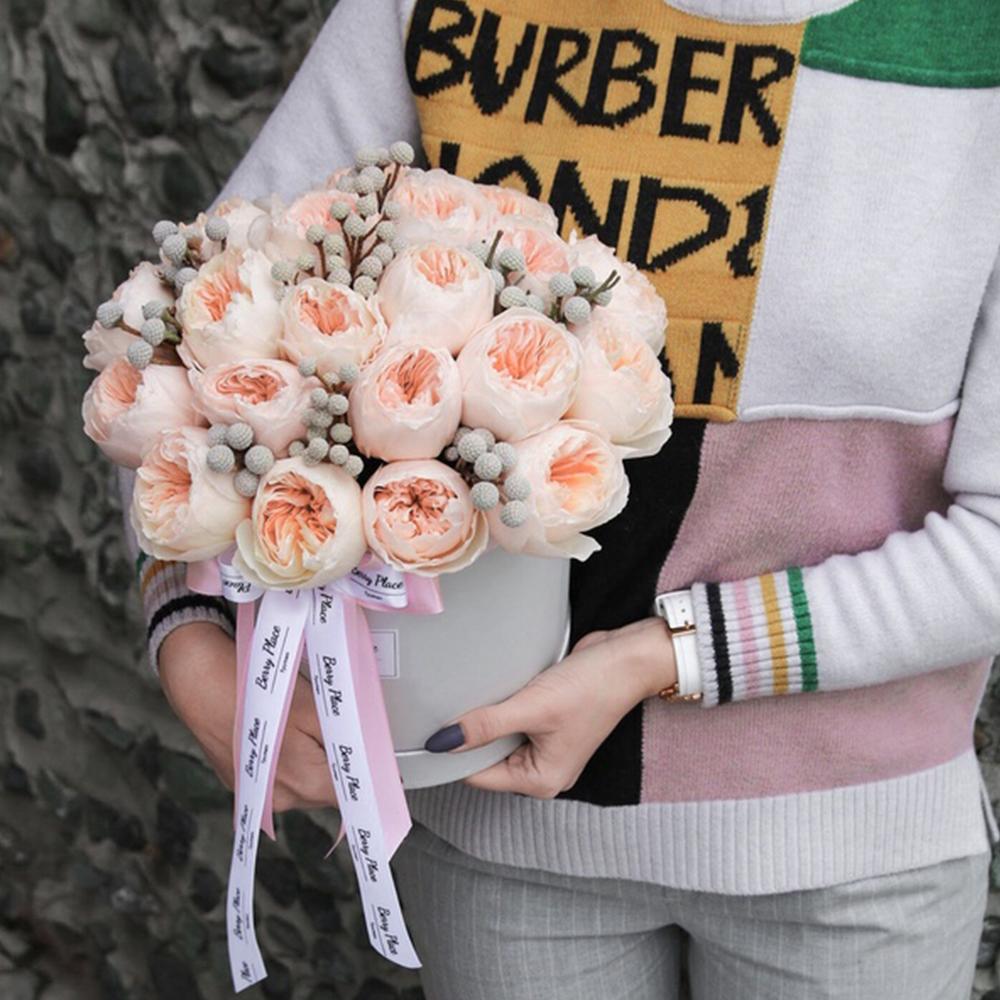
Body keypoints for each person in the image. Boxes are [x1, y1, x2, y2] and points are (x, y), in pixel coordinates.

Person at [129, 0, 1000, 996]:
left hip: (853, 870)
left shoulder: (974, 41)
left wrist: (661, 657)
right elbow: (195, 324)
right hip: (495, 848)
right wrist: (189, 621)